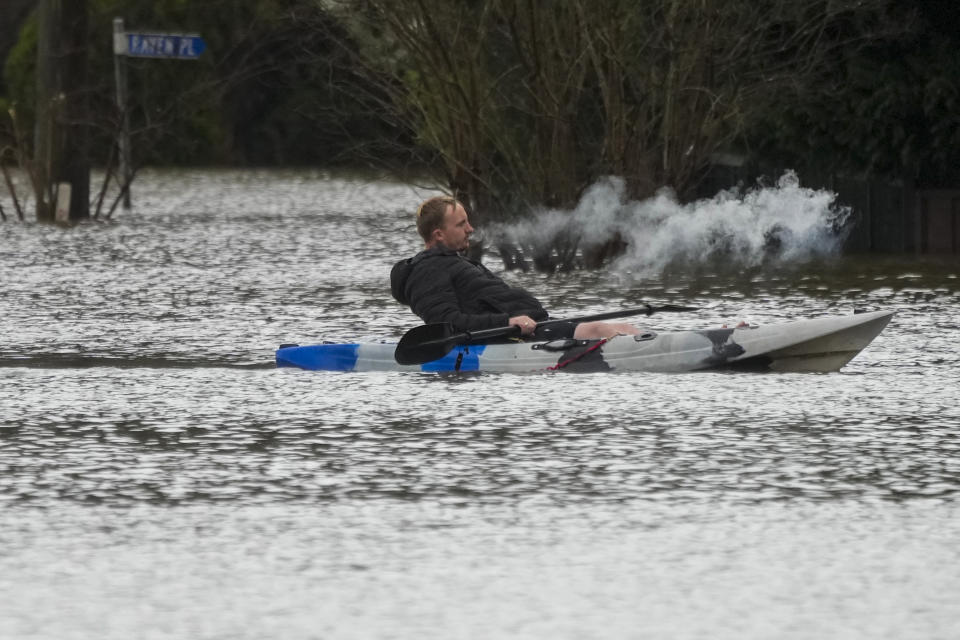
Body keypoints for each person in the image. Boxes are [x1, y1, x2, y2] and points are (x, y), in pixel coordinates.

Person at [390, 196, 643, 340]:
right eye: (461, 224)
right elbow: (447, 323)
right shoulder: (427, 272)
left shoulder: (455, 262)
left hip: (531, 327)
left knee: (625, 328)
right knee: (601, 331)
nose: (471, 229)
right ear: (439, 234)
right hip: (509, 336)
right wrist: (508, 321)